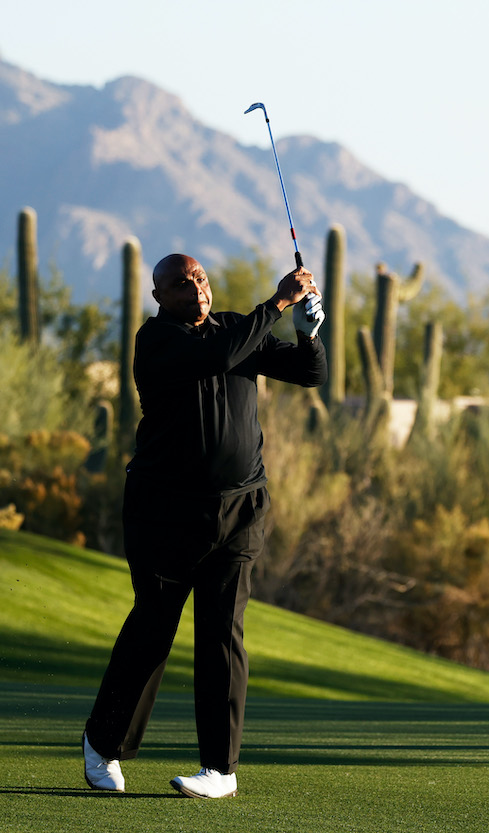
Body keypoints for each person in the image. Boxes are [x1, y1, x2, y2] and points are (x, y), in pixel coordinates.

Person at [82, 253, 327, 798]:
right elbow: (217, 356)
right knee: (154, 629)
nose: (194, 288)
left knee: (222, 632)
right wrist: (278, 303)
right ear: (158, 296)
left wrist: (309, 335)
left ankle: (220, 769)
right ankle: (103, 745)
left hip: (241, 509)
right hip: (165, 510)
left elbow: (312, 376)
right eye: (179, 283)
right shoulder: (158, 340)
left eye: (200, 278)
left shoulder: (239, 328)